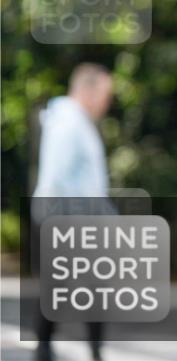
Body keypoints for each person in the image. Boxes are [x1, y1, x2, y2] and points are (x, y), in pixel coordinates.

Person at [32, 63, 115, 361]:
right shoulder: (69, 123)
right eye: (105, 94)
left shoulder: (74, 120)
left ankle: (51, 349)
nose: (107, 102)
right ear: (87, 91)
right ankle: (50, 350)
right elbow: (57, 179)